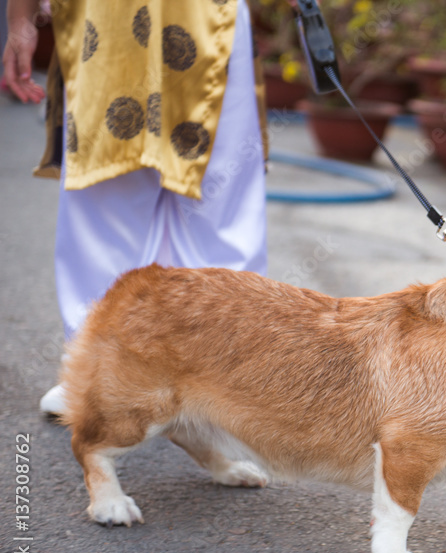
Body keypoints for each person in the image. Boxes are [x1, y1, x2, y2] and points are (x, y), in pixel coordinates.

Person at [3, 0, 271, 415]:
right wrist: (20, 20)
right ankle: (96, 373)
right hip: (105, 18)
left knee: (217, 194)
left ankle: (225, 378)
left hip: (208, 14)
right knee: (106, 190)